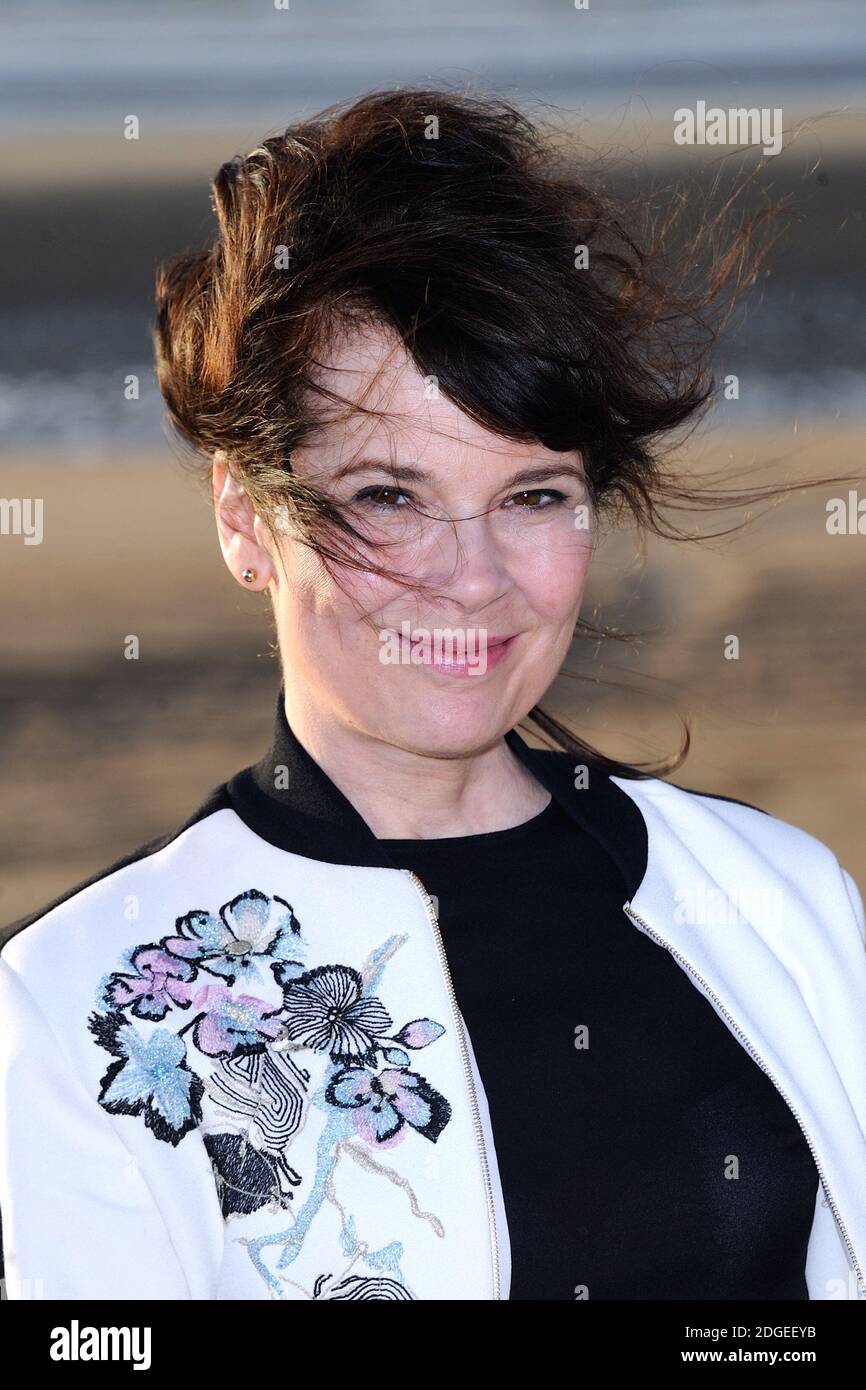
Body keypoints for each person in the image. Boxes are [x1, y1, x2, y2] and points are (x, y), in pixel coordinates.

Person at [1, 88, 864, 1302]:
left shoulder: (780, 902)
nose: (470, 580)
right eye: (387, 497)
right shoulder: (72, 1002)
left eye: (532, 495)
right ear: (246, 519)